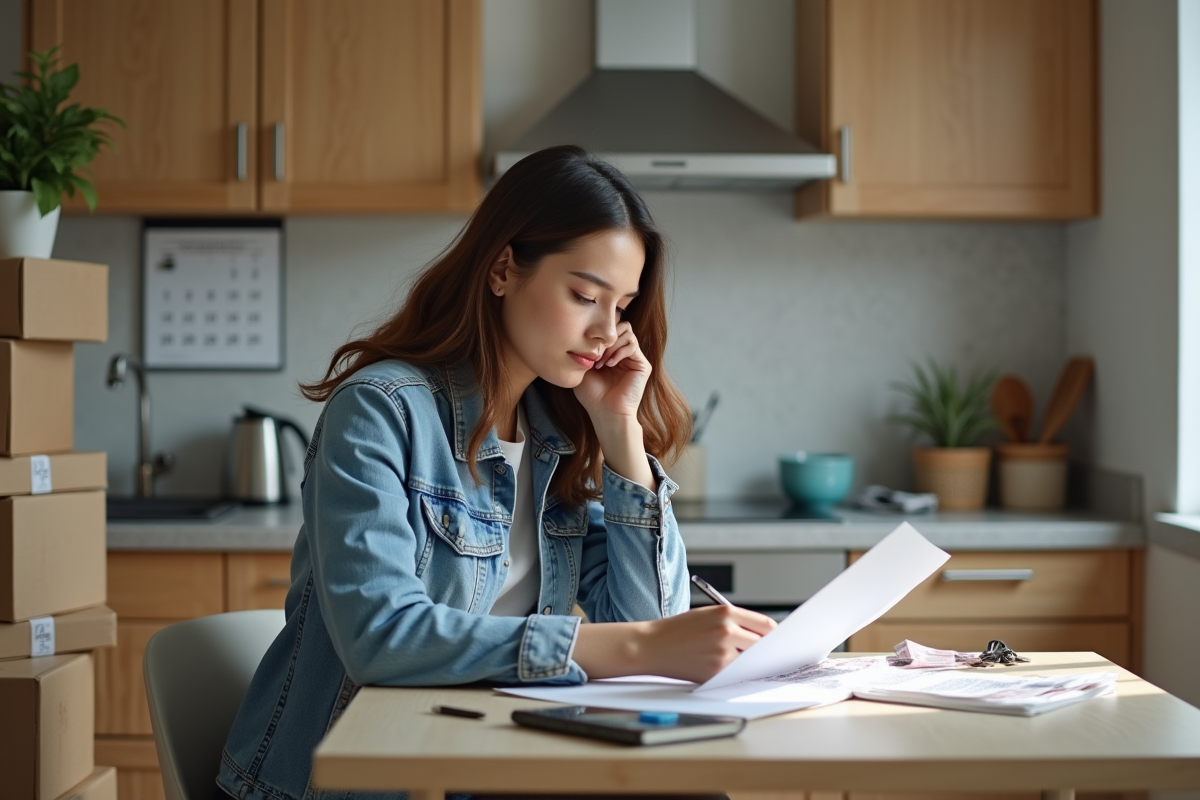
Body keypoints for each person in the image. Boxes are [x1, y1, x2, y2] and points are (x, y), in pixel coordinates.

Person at [215, 145, 777, 800]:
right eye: (584, 295)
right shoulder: (380, 410)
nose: (607, 330)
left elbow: (652, 620)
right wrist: (638, 646)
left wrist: (620, 429)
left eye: (622, 306)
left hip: (484, 764)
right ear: (504, 269)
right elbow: (381, 639)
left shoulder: (554, 438)